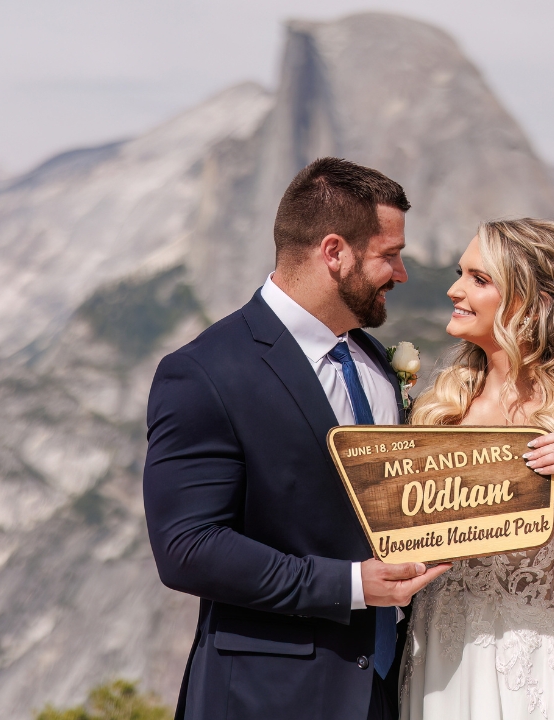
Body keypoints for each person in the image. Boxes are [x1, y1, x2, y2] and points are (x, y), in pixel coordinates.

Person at [143, 157, 449, 720]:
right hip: (269, 694)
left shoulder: (376, 363)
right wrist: (352, 584)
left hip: (390, 686)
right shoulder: (204, 372)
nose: (403, 273)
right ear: (334, 252)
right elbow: (187, 548)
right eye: (390, 255)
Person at [400, 219, 554, 720]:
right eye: (460, 273)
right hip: (430, 668)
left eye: (479, 279)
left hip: (528, 679)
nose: (454, 289)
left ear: (534, 305)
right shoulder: (437, 411)